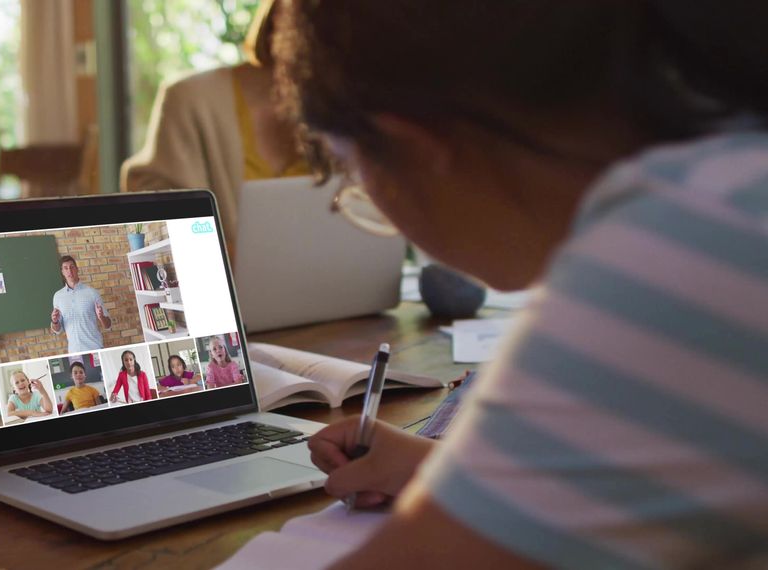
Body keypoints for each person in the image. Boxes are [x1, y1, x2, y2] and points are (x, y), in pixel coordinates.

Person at [276, 0, 768, 567]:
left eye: (353, 171)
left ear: (416, 147)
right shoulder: (729, 184)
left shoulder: (690, 240)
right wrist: (454, 474)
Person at [120, 0, 313, 254]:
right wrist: (216, 253)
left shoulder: (351, 109)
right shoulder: (190, 99)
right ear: (282, 16)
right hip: (228, 289)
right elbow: (150, 208)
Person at [50, 255, 112, 353]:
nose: (69, 271)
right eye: (66, 268)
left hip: (95, 348)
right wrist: (54, 321)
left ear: (77, 269)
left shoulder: (92, 293)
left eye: (72, 267)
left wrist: (101, 317)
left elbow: (108, 325)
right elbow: (58, 330)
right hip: (74, 351)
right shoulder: (58, 297)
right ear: (62, 272)